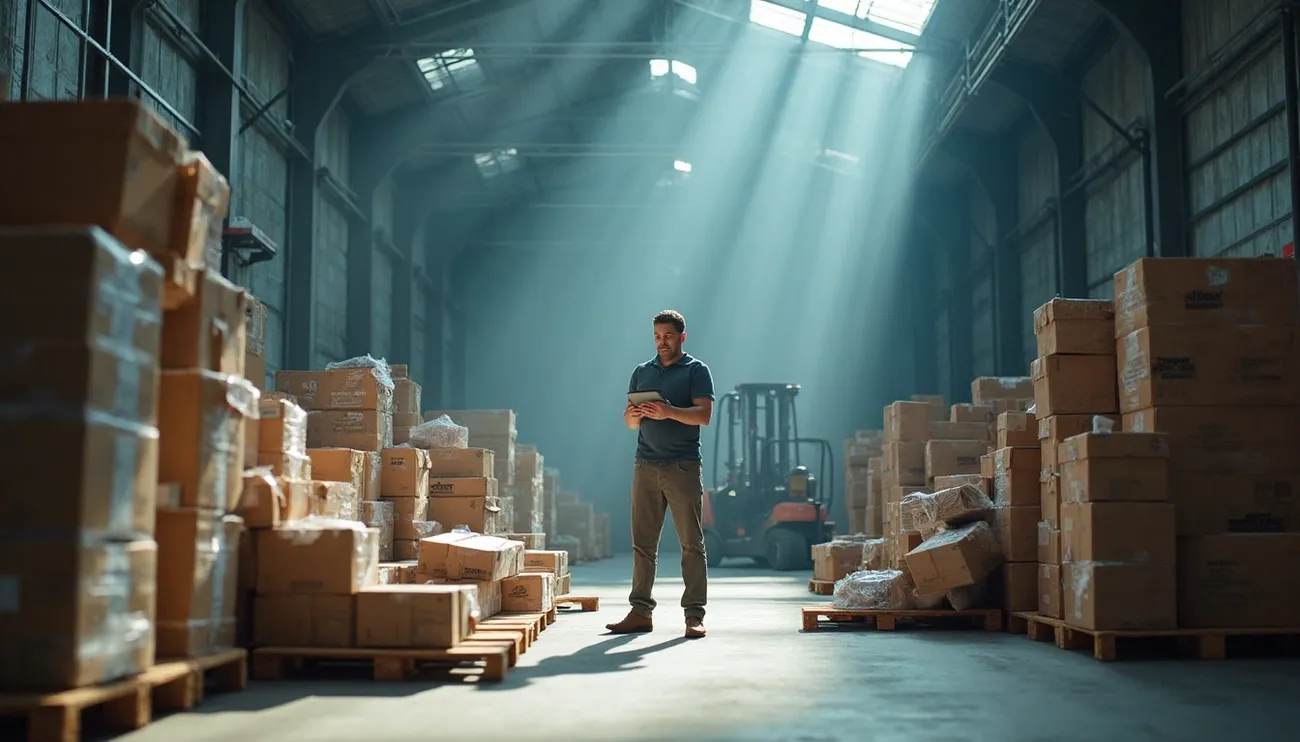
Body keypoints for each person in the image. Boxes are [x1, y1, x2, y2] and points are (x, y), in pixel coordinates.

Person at [606, 309, 715, 639]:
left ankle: (694, 616)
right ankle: (640, 612)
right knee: (643, 544)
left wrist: (668, 411)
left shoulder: (697, 371)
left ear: (682, 337)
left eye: (667, 336)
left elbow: (704, 416)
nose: (661, 342)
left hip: (682, 466)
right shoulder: (642, 372)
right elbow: (629, 424)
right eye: (656, 336)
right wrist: (633, 415)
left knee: (691, 544)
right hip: (645, 466)